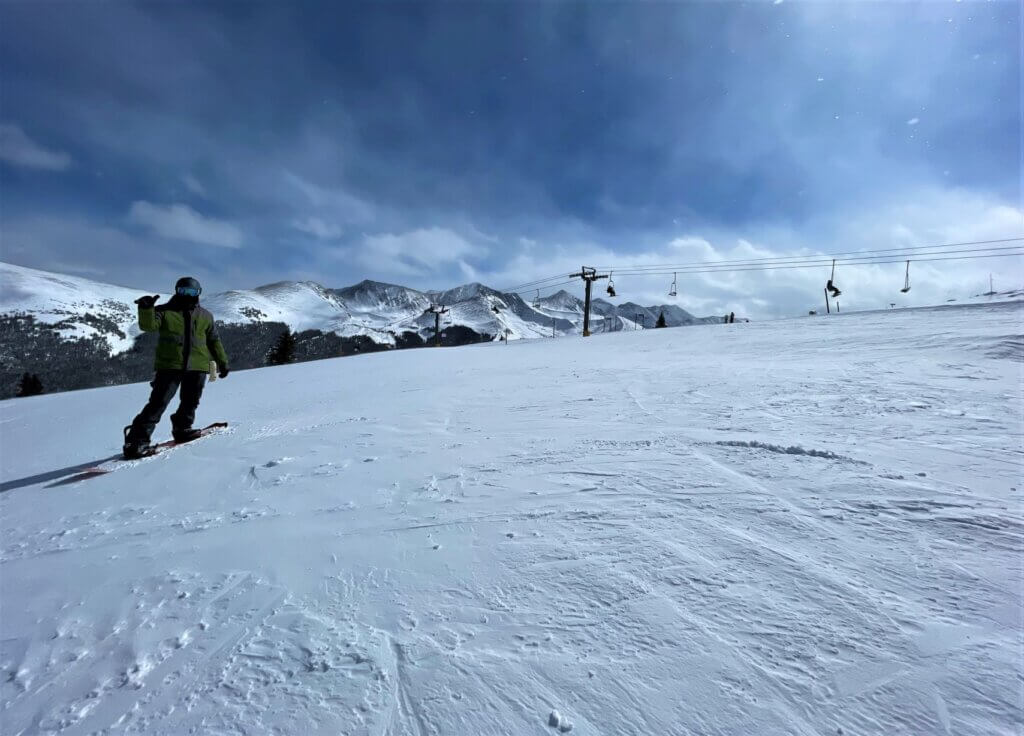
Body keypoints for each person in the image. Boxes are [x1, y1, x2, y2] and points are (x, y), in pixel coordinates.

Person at [123, 277, 230, 458]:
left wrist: (222, 362)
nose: (187, 295)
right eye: (183, 291)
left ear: (198, 293)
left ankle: (182, 428)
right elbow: (148, 326)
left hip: (198, 366)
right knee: (158, 403)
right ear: (177, 290)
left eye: (192, 292)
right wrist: (146, 309)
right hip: (169, 365)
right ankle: (136, 441)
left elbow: (213, 341)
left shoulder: (205, 316)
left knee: (191, 401)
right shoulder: (164, 311)